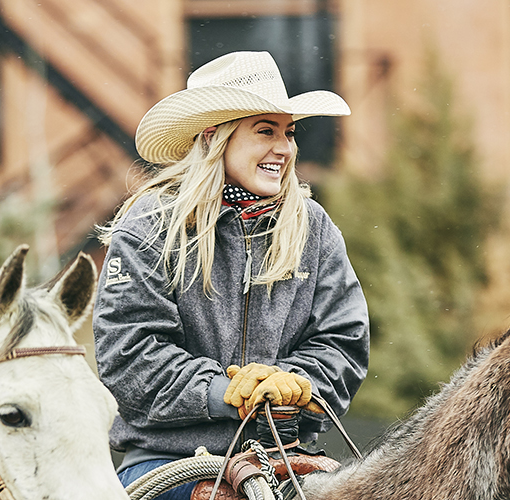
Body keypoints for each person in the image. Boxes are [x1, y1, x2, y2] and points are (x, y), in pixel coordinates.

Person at [93, 51, 369, 499]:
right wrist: (227, 391)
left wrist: (293, 385)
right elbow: (130, 356)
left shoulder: (313, 228)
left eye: (289, 132)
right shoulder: (148, 226)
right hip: (170, 465)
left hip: (285, 465)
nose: (283, 148)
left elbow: (342, 341)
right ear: (213, 137)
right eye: (265, 130)